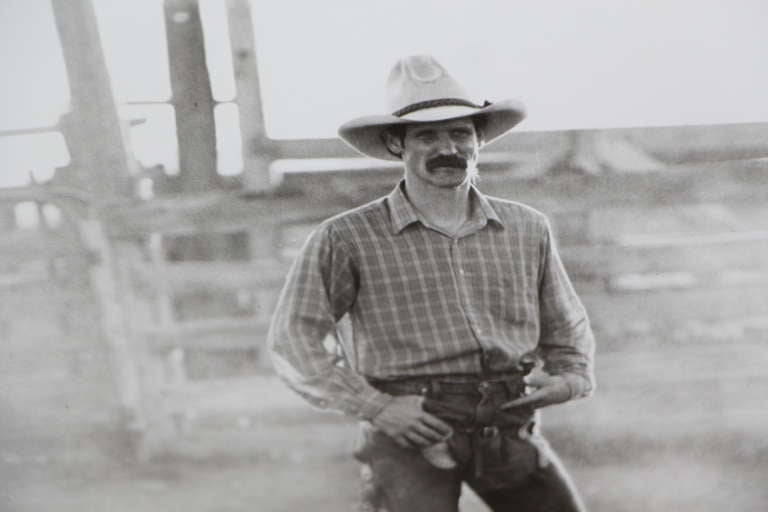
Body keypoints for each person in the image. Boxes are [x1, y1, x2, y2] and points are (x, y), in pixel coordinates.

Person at [267, 54, 595, 512]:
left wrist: (571, 377)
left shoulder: (526, 227)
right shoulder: (347, 236)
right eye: (427, 135)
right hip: (412, 427)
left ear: (478, 140)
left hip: (507, 420)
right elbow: (293, 338)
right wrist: (378, 408)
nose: (448, 148)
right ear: (397, 144)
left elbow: (565, 326)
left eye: (460, 132)